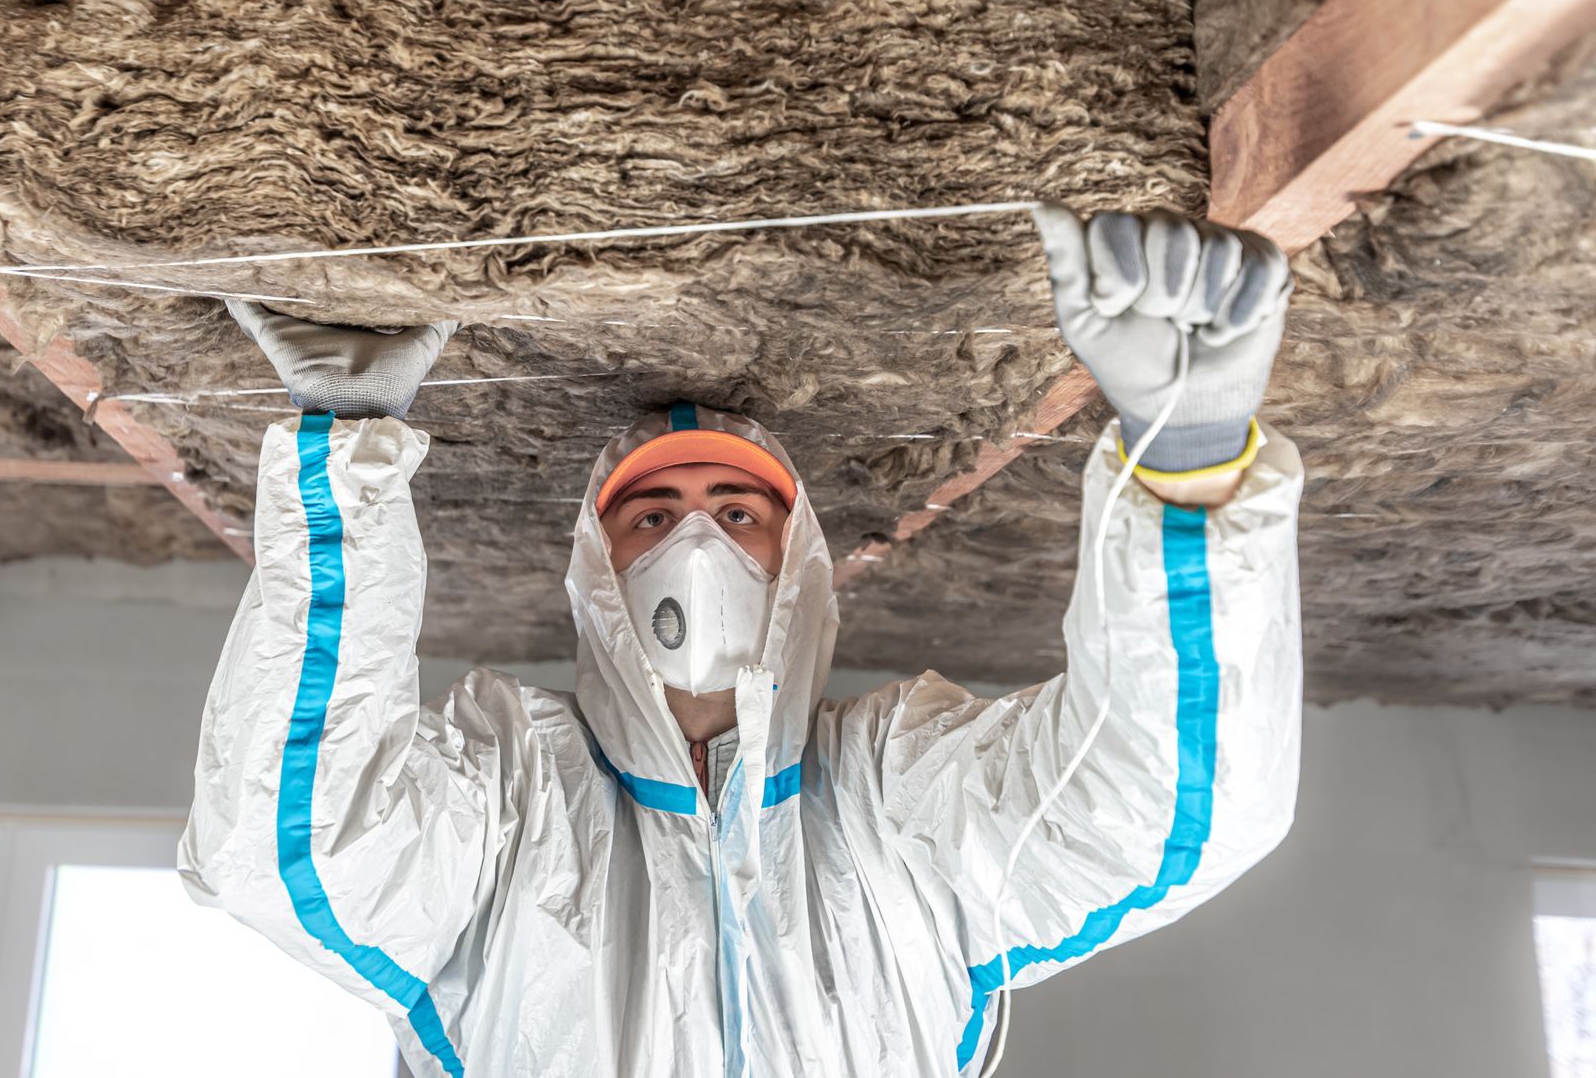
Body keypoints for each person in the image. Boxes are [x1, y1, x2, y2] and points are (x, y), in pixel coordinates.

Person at [178, 205, 1303, 1077]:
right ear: (600, 576)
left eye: (738, 512)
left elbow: (1146, 808)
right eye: (652, 517)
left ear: (797, 571)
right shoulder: (517, 801)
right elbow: (301, 851)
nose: (697, 542)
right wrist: (346, 470)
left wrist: (1189, 457)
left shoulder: (891, 799)